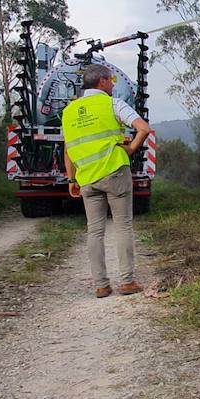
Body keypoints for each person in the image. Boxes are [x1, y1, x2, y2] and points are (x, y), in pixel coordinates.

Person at [63, 63, 150, 297]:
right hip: (114, 172)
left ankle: (101, 285)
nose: (113, 83)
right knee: (123, 226)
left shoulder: (69, 111)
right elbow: (143, 128)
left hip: (86, 178)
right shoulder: (112, 103)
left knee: (95, 231)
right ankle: (127, 282)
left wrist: (72, 180)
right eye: (111, 80)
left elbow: (68, 149)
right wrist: (130, 149)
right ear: (102, 81)